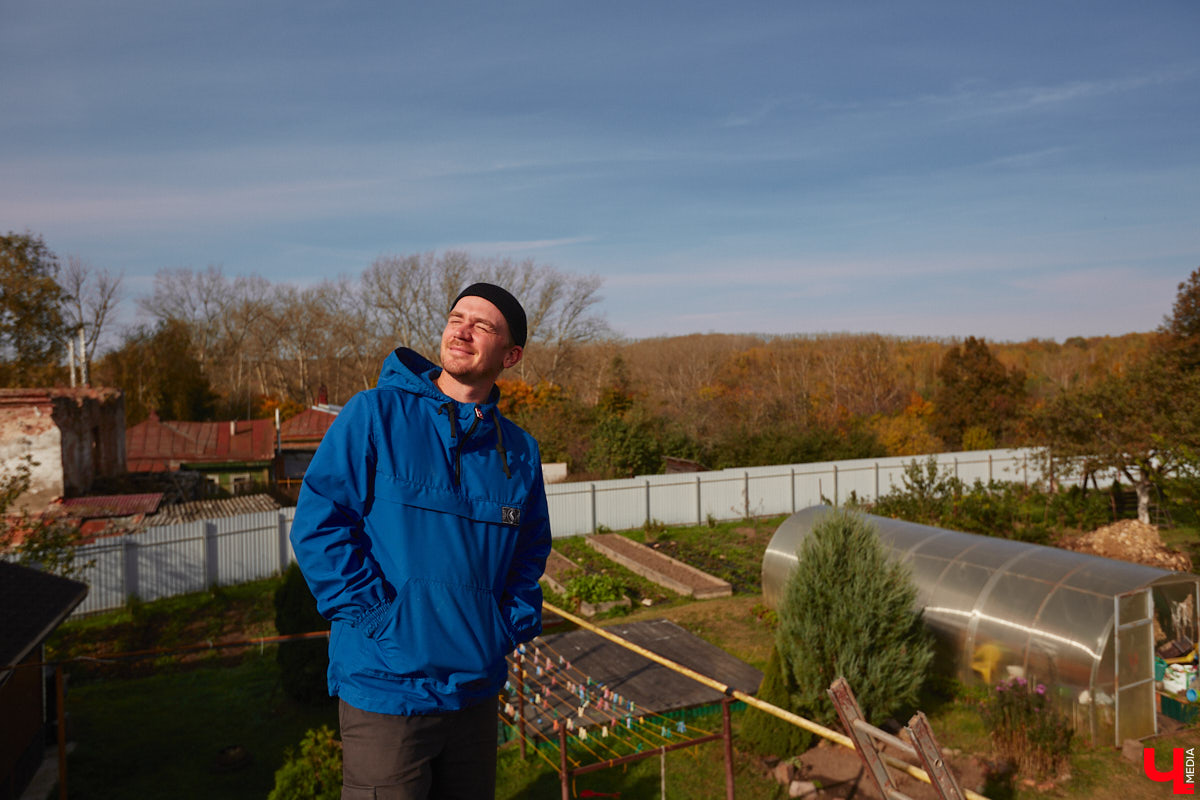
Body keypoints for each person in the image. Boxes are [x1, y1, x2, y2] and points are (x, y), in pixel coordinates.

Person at [290, 282, 552, 799]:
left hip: (474, 693)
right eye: (457, 317)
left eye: (484, 325)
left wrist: (505, 625)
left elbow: (529, 551)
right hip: (386, 689)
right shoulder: (374, 415)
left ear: (511, 354)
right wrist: (377, 621)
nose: (464, 329)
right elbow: (320, 525)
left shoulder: (518, 451)